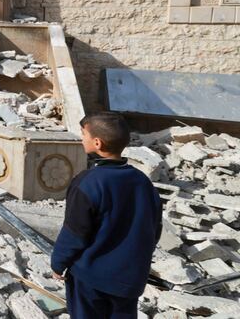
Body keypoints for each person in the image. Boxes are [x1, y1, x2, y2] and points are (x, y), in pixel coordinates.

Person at [51, 112, 162, 319]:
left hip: (90, 279)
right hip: (129, 280)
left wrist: (58, 264)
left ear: (97, 142)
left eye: (83, 135)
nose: (81, 139)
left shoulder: (88, 183)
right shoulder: (143, 182)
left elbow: (75, 233)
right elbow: (154, 230)